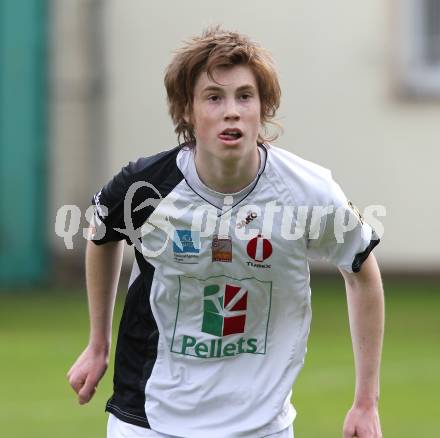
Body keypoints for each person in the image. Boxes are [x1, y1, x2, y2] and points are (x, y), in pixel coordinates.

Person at [67, 26, 384, 438]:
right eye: (214, 98)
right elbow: (102, 233)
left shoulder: (309, 192)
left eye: (244, 96)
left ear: (263, 107)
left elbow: (362, 273)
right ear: (186, 111)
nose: (231, 111)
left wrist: (365, 402)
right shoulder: (145, 188)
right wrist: (97, 343)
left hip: (261, 426)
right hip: (149, 418)